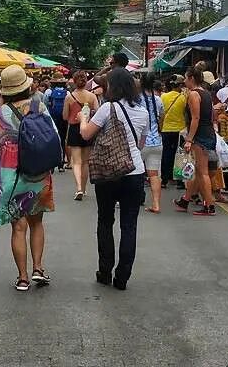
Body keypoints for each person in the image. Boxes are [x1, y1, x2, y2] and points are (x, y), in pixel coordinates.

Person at [0, 65, 56, 291]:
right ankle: (38, 268)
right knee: (37, 222)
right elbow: (51, 134)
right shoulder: (39, 106)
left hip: (8, 173)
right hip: (37, 169)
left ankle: (23, 277)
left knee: (18, 226)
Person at [79, 68, 149, 290]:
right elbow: (140, 145)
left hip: (108, 173)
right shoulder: (143, 112)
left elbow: (86, 134)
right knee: (130, 226)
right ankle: (123, 277)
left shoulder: (107, 108)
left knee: (105, 221)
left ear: (112, 86)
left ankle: (105, 271)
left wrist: (83, 118)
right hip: (134, 171)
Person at [174, 66, 217, 216]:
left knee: (202, 172)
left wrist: (189, 139)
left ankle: (209, 205)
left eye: (186, 78)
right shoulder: (206, 94)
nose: (184, 81)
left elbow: (195, 118)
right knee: (196, 170)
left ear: (191, 78)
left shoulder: (193, 94)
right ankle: (185, 200)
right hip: (208, 132)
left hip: (200, 135)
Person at [63, 70, 99, 201]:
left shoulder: (69, 97)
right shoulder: (92, 96)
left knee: (76, 162)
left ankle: (78, 188)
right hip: (88, 129)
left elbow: (65, 116)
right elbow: (97, 112)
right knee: (85, 162)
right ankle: (83, 189)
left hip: (73, 129)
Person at [139, 74, 164, 213]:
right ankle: (156, 204)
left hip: (141, 142)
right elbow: (161, 119)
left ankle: (129, 198)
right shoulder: (158, 100)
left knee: (134, 171)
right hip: (156, 141)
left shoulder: (137, 99)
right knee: (154, 174)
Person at [159, 75, 187, 189]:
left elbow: (161, 114)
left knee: (166, 154)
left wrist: (160, 128)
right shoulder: (183, 98)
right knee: (179, 154)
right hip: (180, 130)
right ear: (180, 85)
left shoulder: (163, 96)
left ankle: (164, 180)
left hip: (166, 129)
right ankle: (180, 181)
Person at [46, 75, 69, 172]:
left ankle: (51, 165)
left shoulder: (49, 91)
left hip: (52, 119)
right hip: (63, 119)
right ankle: (61, 164)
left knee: (52, 140)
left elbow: (45, 103)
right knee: (62, 139)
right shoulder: (67, 92)